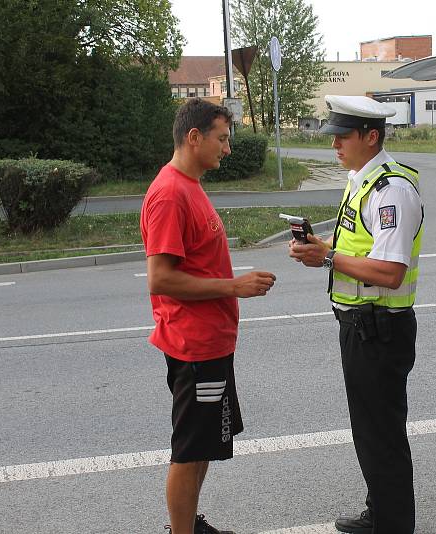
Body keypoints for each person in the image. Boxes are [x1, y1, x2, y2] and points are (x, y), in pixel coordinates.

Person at [288, 95, 424, 534]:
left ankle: (393, 525)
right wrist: (321, 247)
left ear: (371, 136)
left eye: (343, 137)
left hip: (380, 328)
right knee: (369, 431)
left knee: (381, 434)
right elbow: (356, 246)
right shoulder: (361, 180)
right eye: (333, 137)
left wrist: (326, 256)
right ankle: (380, 513)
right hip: (361, 325)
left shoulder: (392, 191)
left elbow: (389, 271)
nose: (335, 146)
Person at [140, 98, 276, 534]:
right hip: (193, 344)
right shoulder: (169, 194)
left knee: (202, 447)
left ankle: (190, 524)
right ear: (194, 137)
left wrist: (232, 284)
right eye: (222, 139)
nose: (228, 149)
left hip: (210, 341)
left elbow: (195, 265)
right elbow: (160, 279)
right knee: (189, 449)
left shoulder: (190, 184)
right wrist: (234, 287)